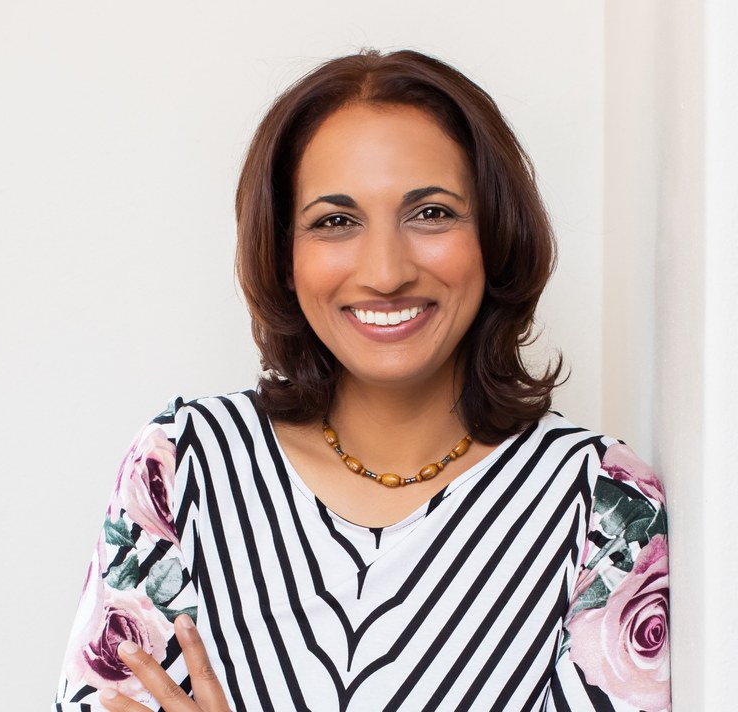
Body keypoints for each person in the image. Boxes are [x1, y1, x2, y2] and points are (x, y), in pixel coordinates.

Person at [53, 49, 670, 712]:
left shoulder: (601, 504)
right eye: (335, 222)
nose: (385, 271)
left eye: (431, 213)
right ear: (285, 256)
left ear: (495, 234)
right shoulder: (182, 467)